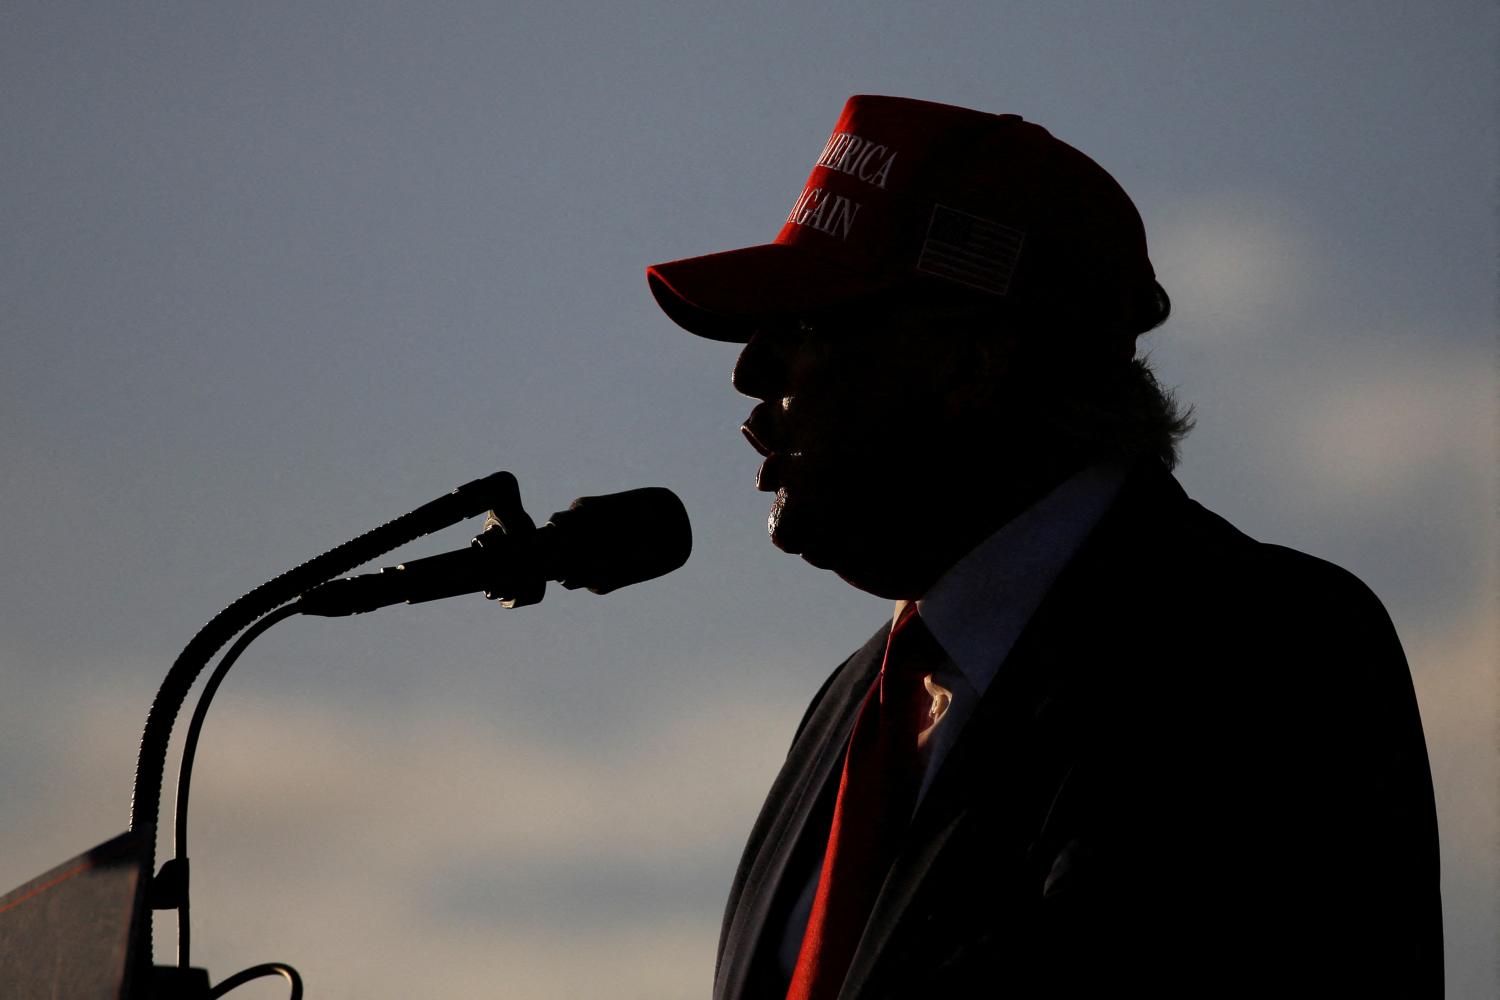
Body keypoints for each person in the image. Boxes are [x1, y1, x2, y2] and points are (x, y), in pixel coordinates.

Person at [646, 96, 1442, 999]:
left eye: (804, 327)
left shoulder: (1262, 645)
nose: (750, 375)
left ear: (973, 360)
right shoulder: (851, 710)